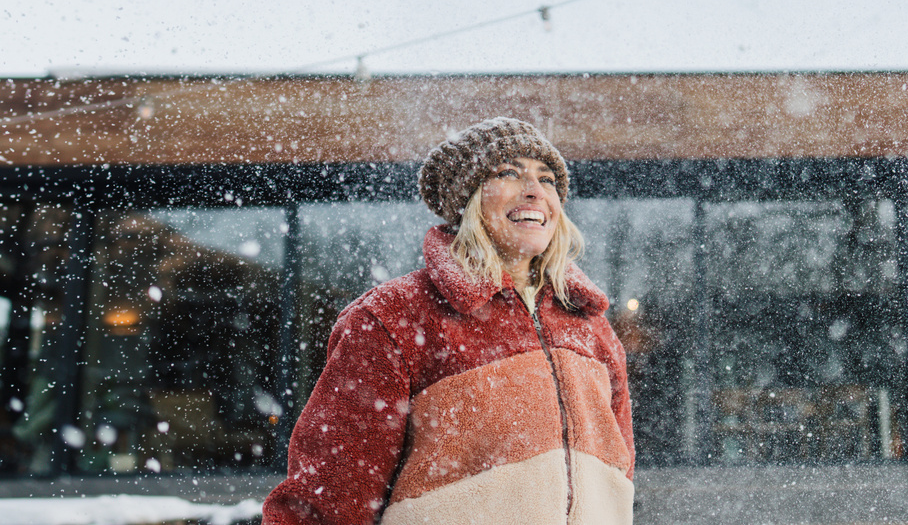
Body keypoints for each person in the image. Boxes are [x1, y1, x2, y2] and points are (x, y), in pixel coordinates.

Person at [262, 117, 634, 524]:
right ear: (467, 199)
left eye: (547, 179)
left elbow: (618, 473)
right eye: (508, 172)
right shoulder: (394, 317)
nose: (534, 190)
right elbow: (329, 498)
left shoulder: (591, 326)